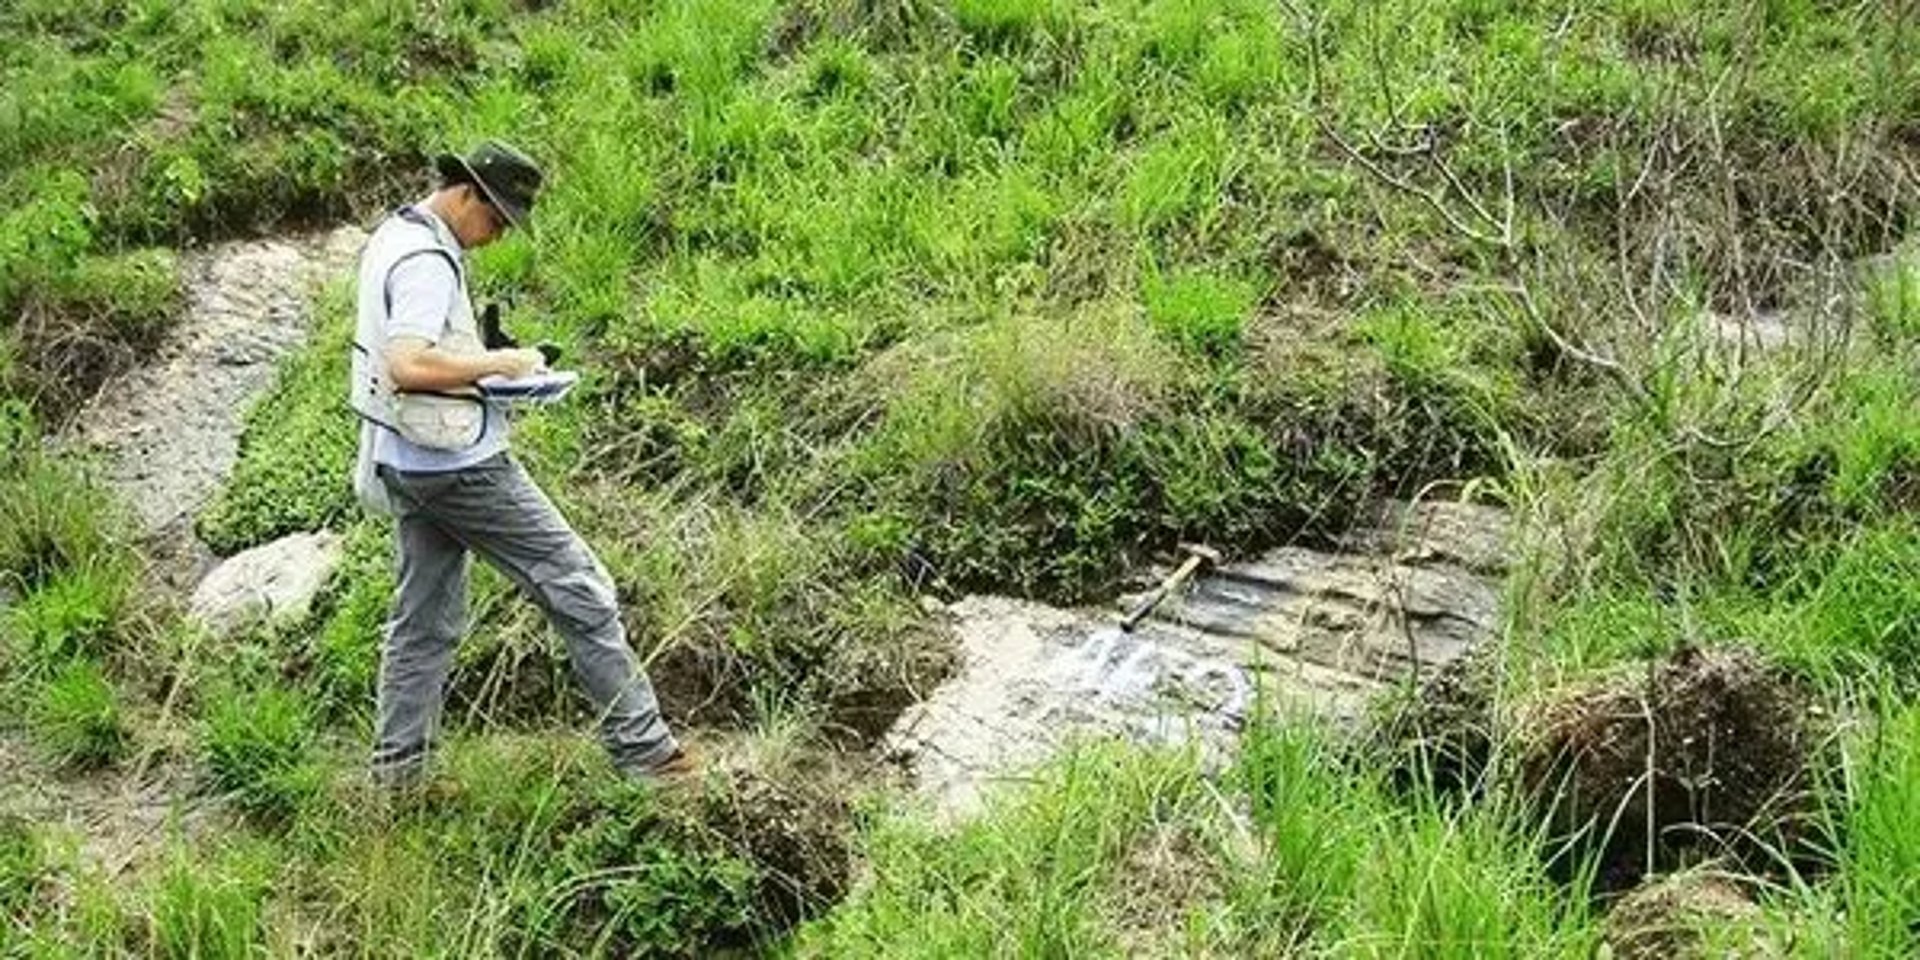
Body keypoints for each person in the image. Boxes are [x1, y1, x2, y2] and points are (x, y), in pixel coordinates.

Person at [348, 141, 690, 788]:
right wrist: (501, 365)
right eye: (498, 219)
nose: (497, 234)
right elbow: (409, 364)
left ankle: (399, 778)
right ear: (467, 192)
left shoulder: (397, 233)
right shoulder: (426, 260)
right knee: (578, 583)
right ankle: (647, 755)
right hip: (459, 465)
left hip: (404, 458)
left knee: (422, 620)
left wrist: (479, 354)